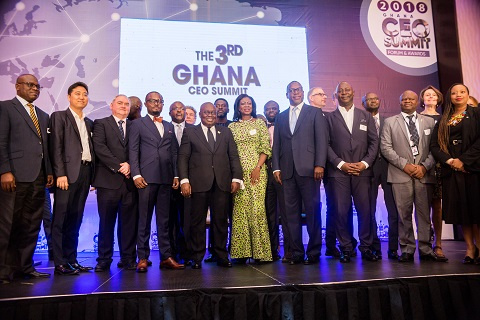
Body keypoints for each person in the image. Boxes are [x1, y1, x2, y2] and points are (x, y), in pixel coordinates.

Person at [0, 74, 54, 283]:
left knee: (31, 224)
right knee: (8, 224)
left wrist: (48, 171)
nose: (34, 89)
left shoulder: (42, 114)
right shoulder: (5, 108)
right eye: (30, 85)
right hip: (14, 176)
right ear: (18, 87)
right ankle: (3, 271)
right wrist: (4, 170)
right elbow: (1, 141)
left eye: (37, 86)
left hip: (38, 177)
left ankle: (25, 266)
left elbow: (45, 147)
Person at [178, 102, 243, 269]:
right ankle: (197, 257)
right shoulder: (190, 132)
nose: (210, 115)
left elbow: (233, 156)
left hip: (222, 183)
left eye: (213, 113)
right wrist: (184, 180)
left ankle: (221, 254)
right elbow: (183, 157)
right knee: (197, 222)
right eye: (206, 112)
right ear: (200, 114)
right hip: (198, 184)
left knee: (220, 221)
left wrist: (236, 178)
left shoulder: (226, 132)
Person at [272, 81, 328, 265]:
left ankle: (313, 252)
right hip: (287, 172)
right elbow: (277, 145)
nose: (295, 93)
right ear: (286, 94)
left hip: (310, 171)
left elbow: (321, 140)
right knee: (290, 215)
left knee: (312, 212)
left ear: (303, 93)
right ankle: (295, 252)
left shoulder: (314, 113)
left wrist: (319, 164)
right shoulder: (280, 117)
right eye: (291, 90)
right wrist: (277, 167)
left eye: (298, 90)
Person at [380, 90, 439, 262]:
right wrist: (404, 165)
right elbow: (385, 148)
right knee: (403, 214)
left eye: (411, 99)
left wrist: (424, 166)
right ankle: (407, 248)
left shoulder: (429, 122)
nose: (407, 101)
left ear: (416, 101)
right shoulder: (390, 122)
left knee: (423, 214)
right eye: (404, 98)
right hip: (400, 174)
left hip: (424, 174)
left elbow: (435, 148)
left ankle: (426, 248)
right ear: (399, 102)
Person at [129, 91, 184, 272]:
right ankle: (143, 257)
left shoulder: (168, 125)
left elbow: (174, 153)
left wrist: (176, 175)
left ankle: (166, 256)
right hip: (145, 178)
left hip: (166, 179)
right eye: (153, 101)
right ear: (146, 103)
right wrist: (136, 174)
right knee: (143, 220)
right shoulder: (137, 124)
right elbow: (133, 151)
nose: (156, 104)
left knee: (164, 221)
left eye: (159, 101)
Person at [326, 82, 379, 263]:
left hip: (362, 172)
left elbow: (374, 143)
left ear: (353, 92)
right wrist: (340, 164)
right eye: (340, 91)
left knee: (365, 211)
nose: (344, 93)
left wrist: (364, 163)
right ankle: (346, 248)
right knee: (341, 211)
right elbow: (325, 145)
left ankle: (366, 247)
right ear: (336, 95)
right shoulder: (329, 118)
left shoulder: (366, 116)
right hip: (338, 172)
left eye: (347, 90)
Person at [431, 83, 480, 264]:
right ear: (449, 96)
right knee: (464, 213)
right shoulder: (444, 119)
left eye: (462, 92)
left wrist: (464, 160)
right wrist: (451, 161)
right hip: (453, 172)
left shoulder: (476, 113)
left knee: (477, 211)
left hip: (473, 169)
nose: (458, 95)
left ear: (468, 94)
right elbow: (434, 146)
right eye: (454, 93)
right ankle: (469, 249)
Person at [50, 81, 95, 275]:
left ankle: (72, 259)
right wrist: (60, 173)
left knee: (76, 219)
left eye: (84, 94)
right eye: (77, 94)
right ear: (69, 97)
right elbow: (56, 147)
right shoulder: (60, 117)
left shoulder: (89, 122)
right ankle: (59, 262)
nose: (81, 97)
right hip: (66, 175)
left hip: (85, 173)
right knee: (61, 218)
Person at [91, 94, 138, 272]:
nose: (124, 106)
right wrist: (119, 166)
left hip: (129, 183)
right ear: (111, 105)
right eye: (120, 103)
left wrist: (131, 165)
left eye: (127, 104)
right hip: (107, 181)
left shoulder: (135, 126)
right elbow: (100, 148)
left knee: (128, 224)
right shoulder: (101, 123)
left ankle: (127, 258)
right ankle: (104, 259)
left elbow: (139, 149)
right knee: (106, 223)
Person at [228, 94, 272, 263]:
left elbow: (265, 148)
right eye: (243, 104)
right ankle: (241, 253)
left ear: (252, 106)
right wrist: (235, 174)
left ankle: (260, 253)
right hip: (238, 174)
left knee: (257, 210)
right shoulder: (231, 127)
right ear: (238, 107)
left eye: (249, 103)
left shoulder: (260, 123)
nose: (246, 106)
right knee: (240, 211)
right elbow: (230, 152)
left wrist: (258, 168)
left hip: (257, 173)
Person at [362, 92, 399, 259]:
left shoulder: (389, 121)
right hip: (368, 168)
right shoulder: (359, 119)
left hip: (388, 167)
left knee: (393, 209)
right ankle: (373, 246)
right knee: (368, 209)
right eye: (369, 99)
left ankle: (392, 247)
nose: (373, 101)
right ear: (363, 102)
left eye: (376, 98)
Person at [419, 85, 448, 262]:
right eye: (427, 95)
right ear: (422, 99)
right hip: (422, 166)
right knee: (422, 207)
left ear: (438, 99)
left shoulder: (445, 118)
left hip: (440, 166)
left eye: (433, 95)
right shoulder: (416, 118)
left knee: (437, 207)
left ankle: (438, 244)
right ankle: (424, 243)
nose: (430, 97)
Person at [264, 100, 289, 262]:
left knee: (287, 214)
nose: (271, 111)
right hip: (265, 174)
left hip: (283, 173)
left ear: (279, 110)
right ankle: (272, 250)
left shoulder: (285, 125)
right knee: (269, 214)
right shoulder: (260, 127)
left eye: (274, 108)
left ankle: (290, 250)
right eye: (268, 109)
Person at [168, 101, 194, 263]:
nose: (179, 111)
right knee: (170, 220)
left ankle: (188, 253)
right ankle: (172, 253)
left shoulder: (194, 130)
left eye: (182, 109)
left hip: (189, 181)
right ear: (170, 112)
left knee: (188, 220)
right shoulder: (164, 128)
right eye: (175, 109)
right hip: (168, 181)